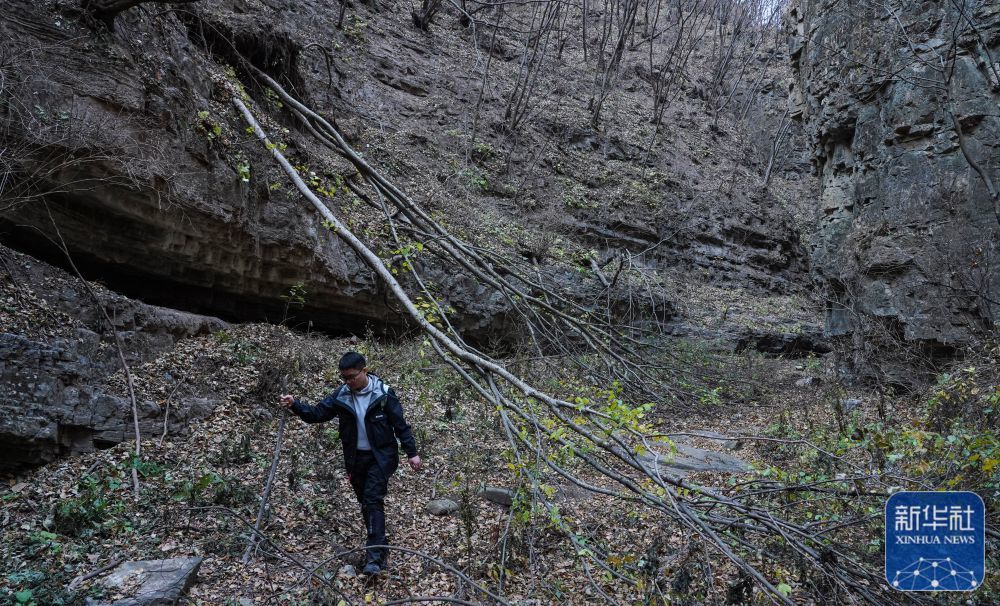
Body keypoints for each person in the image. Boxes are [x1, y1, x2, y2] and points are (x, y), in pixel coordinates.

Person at [280, 351, 421, 575]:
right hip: (356, 460)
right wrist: (295, 404)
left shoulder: (383, 394)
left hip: (382, 457)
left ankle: (374, 558)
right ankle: (380, 545)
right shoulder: (342, 395)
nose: (348, 381)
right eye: (344, 377)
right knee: (366, 503)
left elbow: (400, 425)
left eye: (352, 376)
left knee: (373, 499)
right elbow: (317, 414)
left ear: (364, 371)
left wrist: (411, 453)